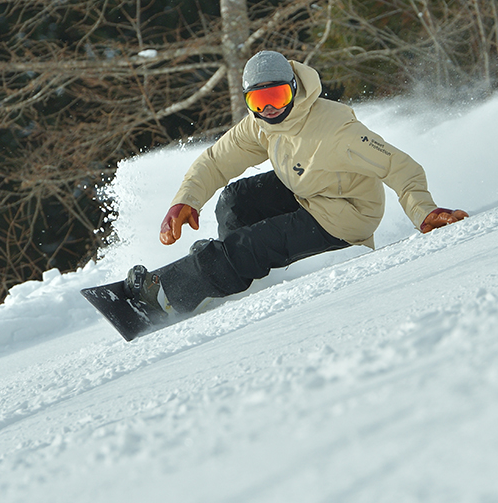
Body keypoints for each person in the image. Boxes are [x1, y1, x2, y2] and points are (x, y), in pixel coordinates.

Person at [124, 50, 468, 319]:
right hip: (306, 189)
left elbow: (399, 166)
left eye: (277, 95)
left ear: (294, 88)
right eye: (258, 101)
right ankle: (228, 272)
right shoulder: (261, 125)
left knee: (249, 245)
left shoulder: (335, 129)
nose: (270, 108)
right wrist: (185, 201)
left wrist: (425, 211)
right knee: (234, 201)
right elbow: (216, 161)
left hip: (345, 213)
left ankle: (167, 295)